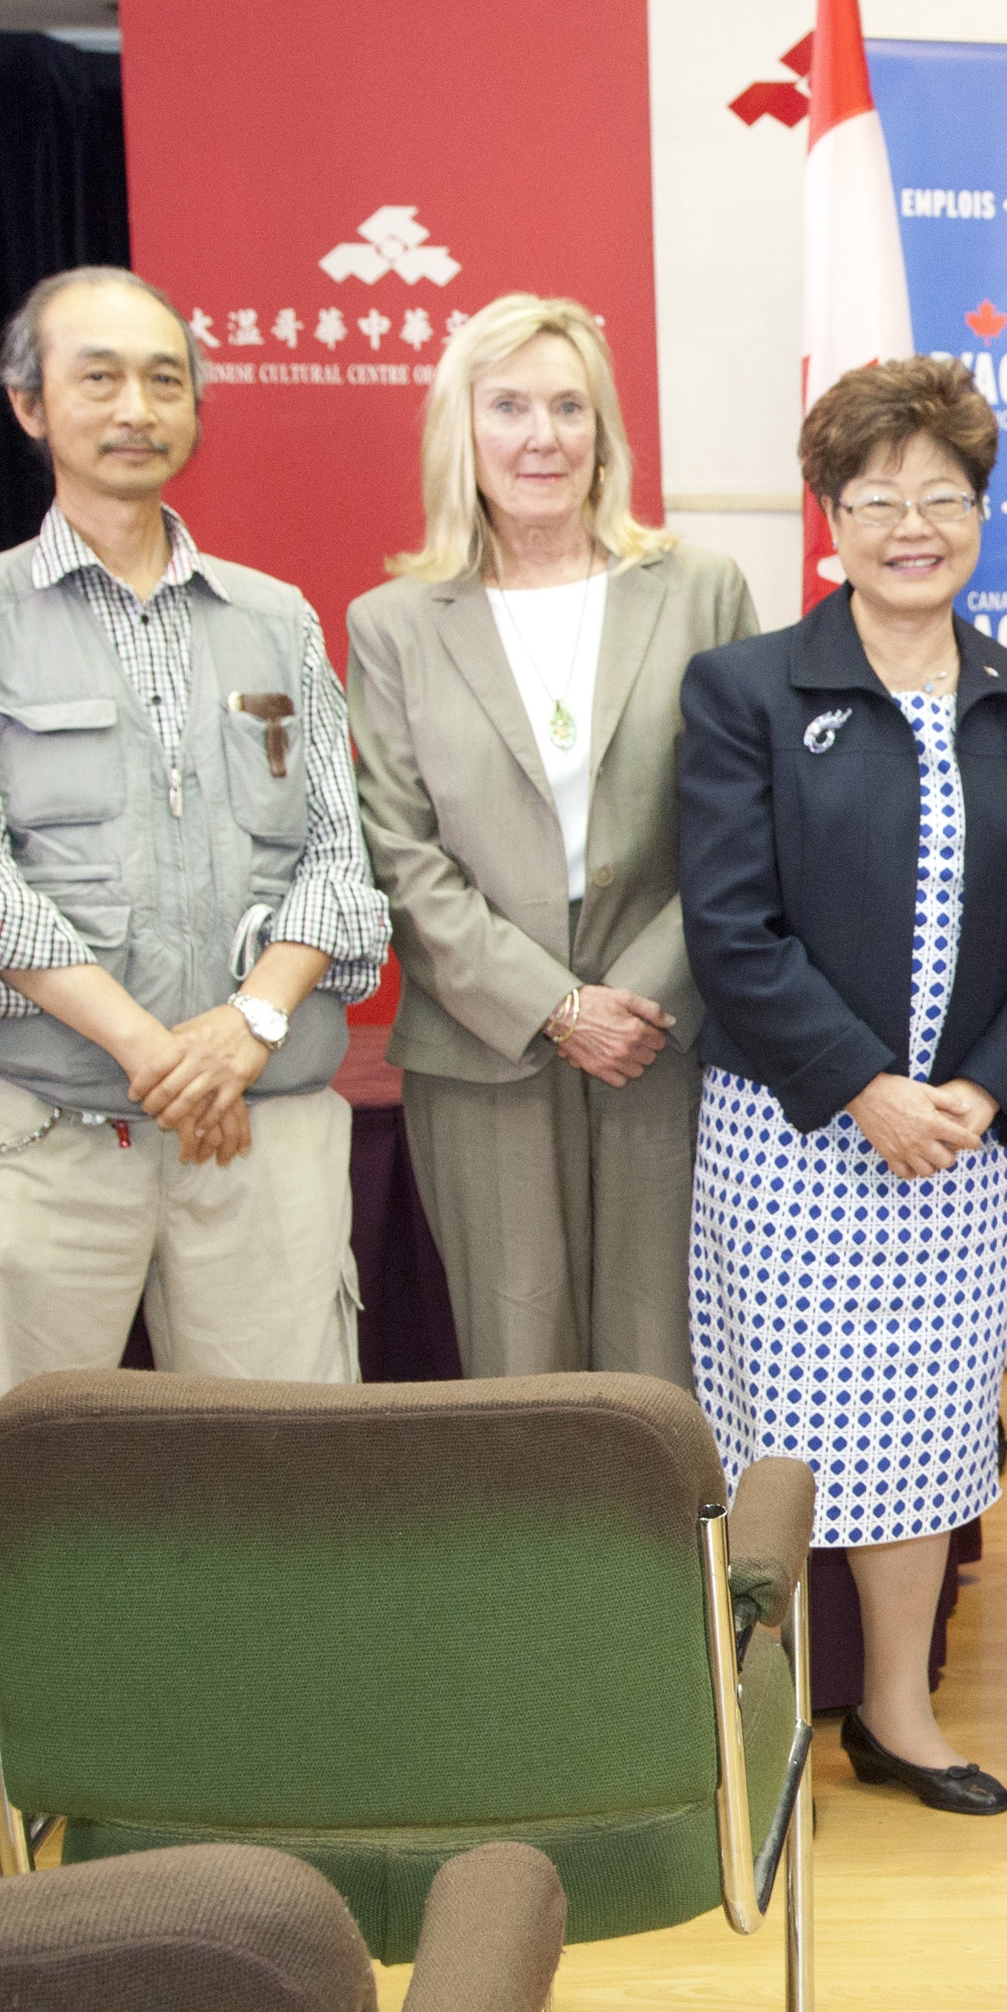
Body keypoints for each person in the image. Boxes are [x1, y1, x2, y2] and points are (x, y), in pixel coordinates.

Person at [0, 266, 389, 1553]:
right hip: (42, 1137)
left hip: (258, 1132)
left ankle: (270, 1699)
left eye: (165, 379)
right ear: (29, 405)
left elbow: (340, 862)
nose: (136, 407)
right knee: (9, 1504)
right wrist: (159, 1054)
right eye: (99, 376)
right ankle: (9, 1704)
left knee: (291, 1497)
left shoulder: (275, 618)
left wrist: (247, 1027)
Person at [680, 357, 1007, 1816]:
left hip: (962, 1150)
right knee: (780, 1437)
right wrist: (864, 1085)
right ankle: (761, 1716)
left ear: (982, 512)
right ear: (830, 517)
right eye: (877, 498)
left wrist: (984, 1089)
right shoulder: (746, 687)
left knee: (925, 1434)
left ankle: (901, 1712)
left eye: (942, 496)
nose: (912, 526)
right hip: (795, 1134)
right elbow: (732, 929)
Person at [348, 294, 757, 1382]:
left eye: (570, 407)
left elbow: (748, 821)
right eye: (510, 407)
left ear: (604, 430)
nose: (543, 437)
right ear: (463, 429)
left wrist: (635, 996)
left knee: (661, 1363)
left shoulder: (700, 591)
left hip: (663, 1033)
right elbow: (399, 850)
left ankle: (680, 1520)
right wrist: (555, 1006)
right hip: (483, 1046)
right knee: (518, 1361)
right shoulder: (393, 622)